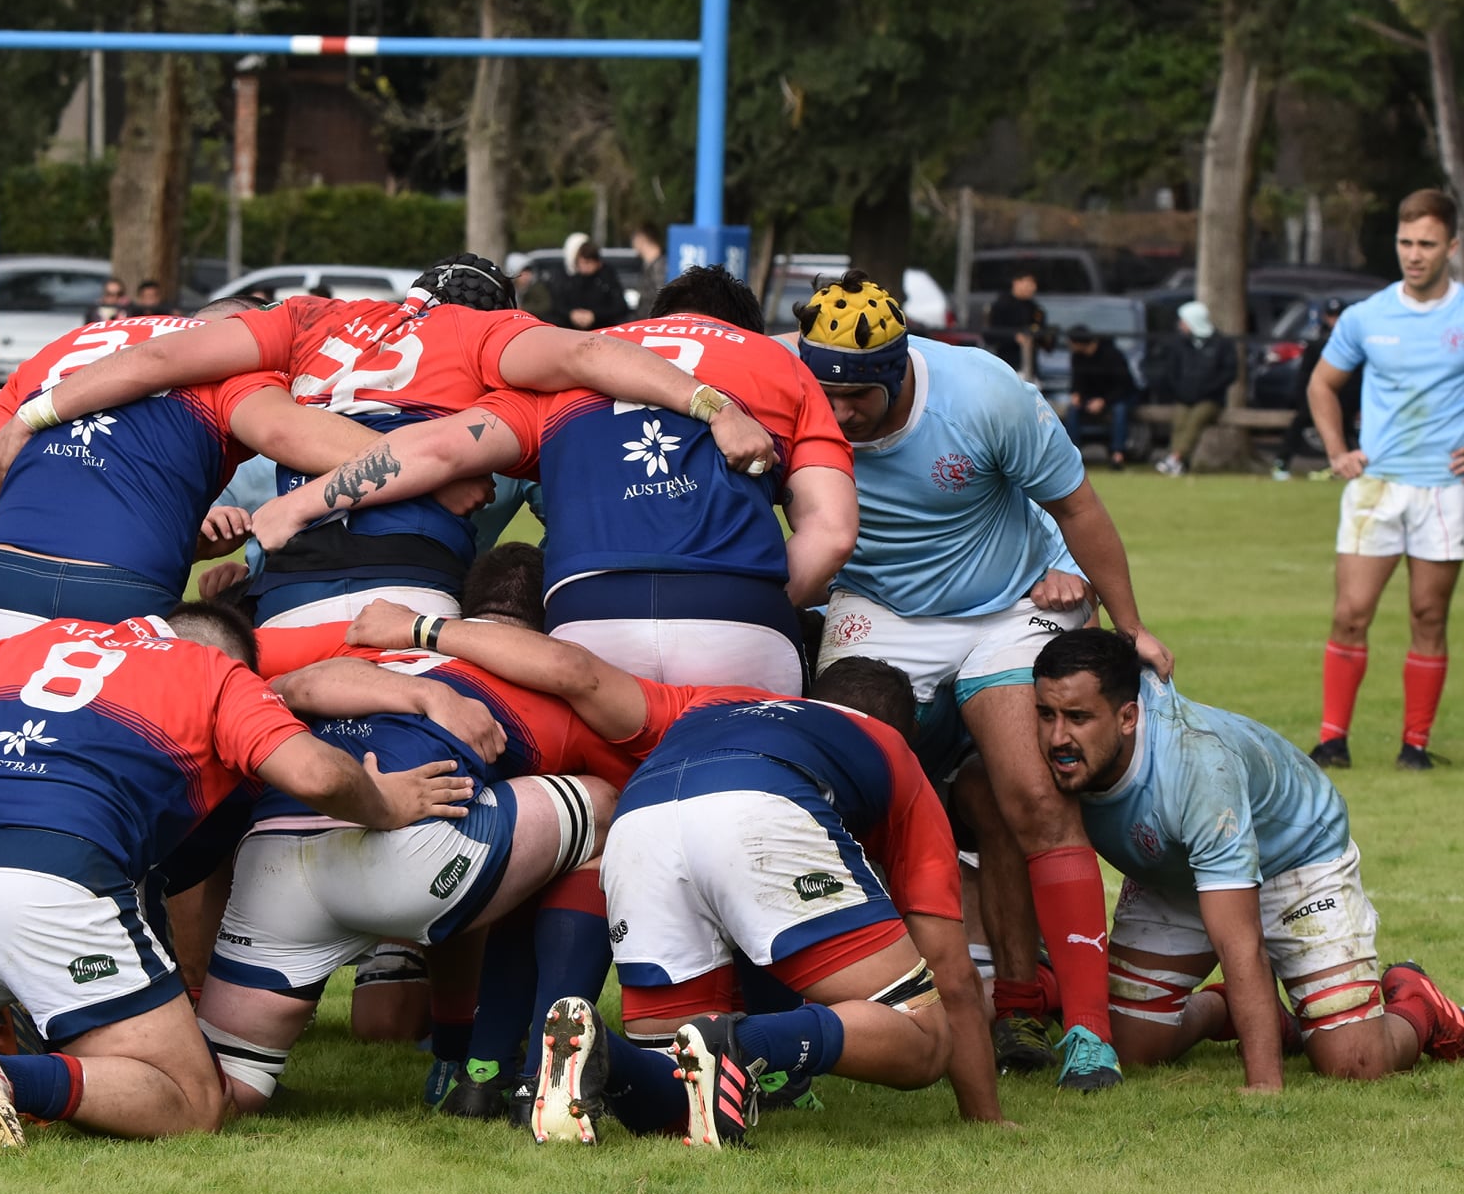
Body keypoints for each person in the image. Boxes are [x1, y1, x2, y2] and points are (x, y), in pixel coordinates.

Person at [0, 604, 473, 1143]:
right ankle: (7, 1076)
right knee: (194, 1100)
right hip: (57, 871)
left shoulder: (31, 644)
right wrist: (387, 802)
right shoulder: (214, 672)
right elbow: (318, 774)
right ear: (226, 653)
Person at [342, 601, 1004, 1145]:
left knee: (680, 1091)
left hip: (640, 819)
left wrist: (422, 628)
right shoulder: (893, 753)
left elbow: (580, 673)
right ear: (903, 727)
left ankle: (601, 1052)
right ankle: (743, 1042)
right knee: (923, 1036)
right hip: (759, 808)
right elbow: (951, 973)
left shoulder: (709, 702)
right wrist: (985, 1119)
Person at [792, 270, 1172, 1089]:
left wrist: (1130, 622)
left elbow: (1078, 507)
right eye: (828, 393)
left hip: (1003, 604)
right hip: (876, 606)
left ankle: (1082, 1030)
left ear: (897, 370)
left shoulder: (984, 393)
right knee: (831, 790)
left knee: (1030, 794)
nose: (840, 413)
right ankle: (822, 1017)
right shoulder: (790, 387)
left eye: (857, 395)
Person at [0, 253, 780, 627]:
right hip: (410, 580)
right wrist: (710, 403)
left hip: (288, 588)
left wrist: (32, 412)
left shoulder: (309, 317)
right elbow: (582, 357)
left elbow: (163, 358)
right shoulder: (488, 339)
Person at [248, 265, 858, 692]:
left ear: (651, 323)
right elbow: (831, 533)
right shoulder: (775, 360)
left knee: (602, 803)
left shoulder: (579, 364)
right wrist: (754, 603)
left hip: (590, 619)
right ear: (746, 328)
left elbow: (436, 450)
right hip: (738, 611)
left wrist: (301, 503)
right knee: (751, 782)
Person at [196, 582, 628, 1114]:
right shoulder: (549, 692)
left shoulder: (359, 649)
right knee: (603, 809)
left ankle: (99, 1071)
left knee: (215, 1091)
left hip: (274, 860)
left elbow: (283, 685)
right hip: (413, 863)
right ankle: (507, 1070)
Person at [1032, 628, 1464, 1085]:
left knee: (1354, 1062)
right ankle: (1237, 1012)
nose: (1058, 736)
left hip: (1295, 859)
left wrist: (1263, 1086)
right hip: (1173, 870)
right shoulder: (1038, 754)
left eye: (1078, 718)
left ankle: (1420, 1003)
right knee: (1130, 1046)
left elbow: (1240, 940)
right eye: (1046, 714)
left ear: (1127, 717)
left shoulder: (1196, 766)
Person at [0, 300, 399, 664]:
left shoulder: (54, 352)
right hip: (123, 596)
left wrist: (25, 562)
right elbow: (287, 434)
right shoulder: (229, 365)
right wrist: (430, 454)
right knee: (112, 757)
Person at [1308, 188, 1464, 771]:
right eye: (1405, 242)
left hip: (1445, 492)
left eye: (1427, 244)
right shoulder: (1366, 316)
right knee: (1350, 613)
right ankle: (1332, 742)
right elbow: (1322, 384)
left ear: (1452, 247)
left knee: (1429, 615)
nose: (1414, 254)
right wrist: (1338, 451)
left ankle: (1414, 747)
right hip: (1376, 488)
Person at [1148, 301, 1240, 476]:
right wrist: (1182, 391)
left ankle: (1174, 458)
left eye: (1183, 321)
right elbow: (1171, 372)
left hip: (1210, 398)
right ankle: (1179, 462)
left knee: (1196, 420)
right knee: (1179, 422)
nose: (1180, 325)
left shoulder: (1221, 344)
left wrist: (1206, 390)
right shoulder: (1180, 343)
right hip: (1185, 397)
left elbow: (1229, 373)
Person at [1271, 297, 1358, 481]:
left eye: (1338, 316)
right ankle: (1282, 462)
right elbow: (1306, 375)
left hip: (1344, 399)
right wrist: (1302, 398)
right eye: (1332, 316)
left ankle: (1349, 466)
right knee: (1300, 424)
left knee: (1347, 431)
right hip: (1319, 396)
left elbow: (1357, 377)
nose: (1335, 320)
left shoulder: (1352, 342)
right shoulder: (1318, 343)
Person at [1062, 323, 1139, 470]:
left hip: (1118, 397)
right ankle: (1073, 455)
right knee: (1073, 410)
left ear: (1079, 343)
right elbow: (1077, 381)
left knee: (1120, 410)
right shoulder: (1077, 357)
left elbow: (1124, 385)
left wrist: (1104, 401)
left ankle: (1117, 454)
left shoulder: (1112, 354)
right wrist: (1076, 393)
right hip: (1092, 398)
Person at [547, 239, 629, 331]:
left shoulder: (607, 280)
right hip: (572, 329)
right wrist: (571, 314)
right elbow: (557, 305)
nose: (584, 267)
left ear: (598, 263)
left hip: (603, 327)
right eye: (581, 263)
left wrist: (594, 315)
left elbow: (619, 307)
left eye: (588, 263)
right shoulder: (570, 280)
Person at [985, 266, 1045, 377]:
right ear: (1016, 283)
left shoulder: (1034, 308)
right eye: (1028, 283)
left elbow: (1040, 331)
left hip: (1030, 366)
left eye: (1033, 284)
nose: (1032, 288)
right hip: (1007, 364)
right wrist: (1014, 336)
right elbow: (990, 334)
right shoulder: (1001, 305)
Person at [629, 224, 667, 317]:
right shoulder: (648, 265)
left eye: (634, 239)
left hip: (654, 320)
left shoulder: (660, 265)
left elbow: (661, 296)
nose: (633, 244)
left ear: (642, 239)